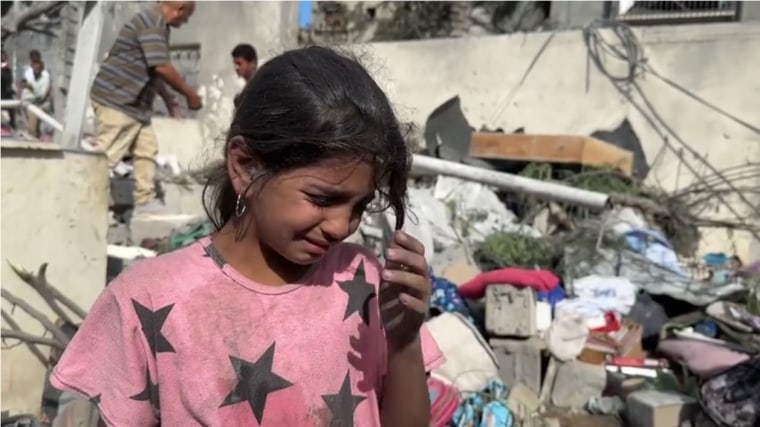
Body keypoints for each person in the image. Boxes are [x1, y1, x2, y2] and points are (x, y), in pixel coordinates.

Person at [50, 46, 442, 426]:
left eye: (359, 206)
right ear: (246, 167)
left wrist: (404, 341)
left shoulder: (364, 281)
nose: (342, 226)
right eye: (323, 198)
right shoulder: (145, 302)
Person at [91, 1, 201, 216]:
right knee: (106, 156)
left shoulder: (158, 25)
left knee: (146, 149)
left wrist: (169, 100)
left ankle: (145, 201)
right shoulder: (152, 23)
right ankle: (85, 200)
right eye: (186, 17)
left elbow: (153, 71)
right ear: (179, 10)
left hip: (136, 105)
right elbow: (161, 67)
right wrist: (190, 94)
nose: (185, 21)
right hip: (118, 100)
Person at [19, 57, 52, 138]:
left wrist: (32, 88)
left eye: (37, 69)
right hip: (29, 103)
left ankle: (33, 135)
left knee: (33, 114)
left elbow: (41, 95)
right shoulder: (31, 77)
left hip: (40, 104)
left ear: (41, 69)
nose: (35, 71)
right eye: (34, 68)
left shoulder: (45, 79)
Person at [231, 43, 257, 109]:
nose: (236, 67)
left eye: (239, 63)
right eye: (235, 64)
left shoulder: (261, 87)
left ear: (252, 63)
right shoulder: (243, 93)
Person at [1, 51, 16, 128]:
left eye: (5, 57)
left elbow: (10, 82)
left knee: (12, 108)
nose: (5, 59)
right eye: (3, 58)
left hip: (7, 94)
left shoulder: (8, 70)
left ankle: (12, 124)